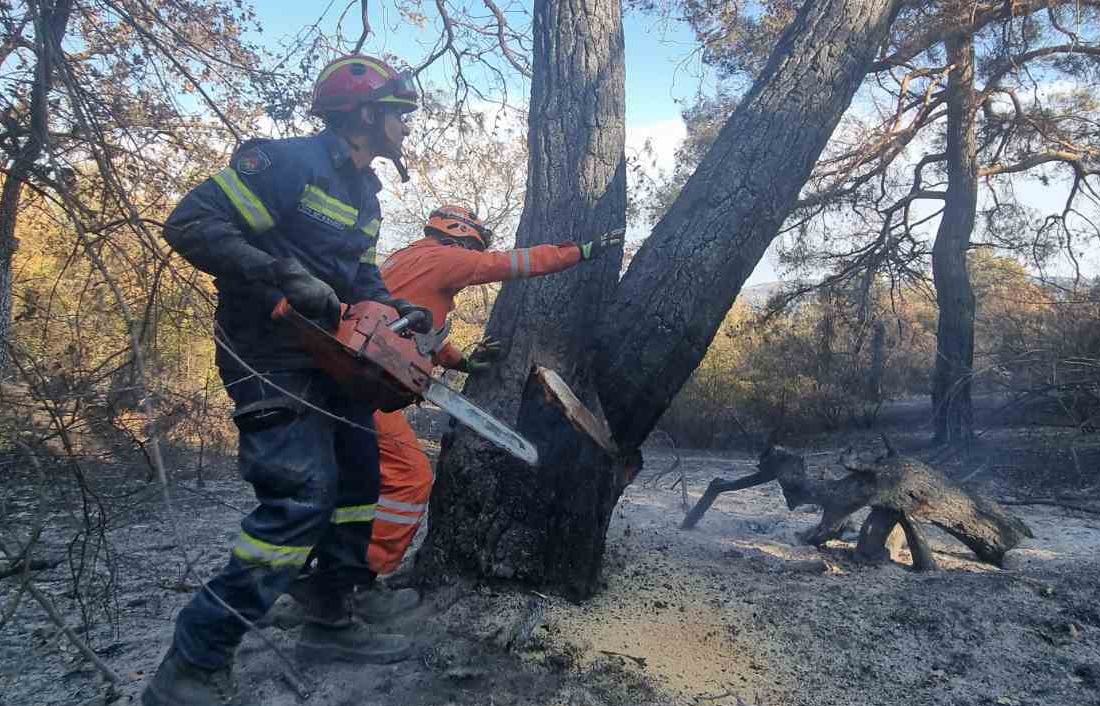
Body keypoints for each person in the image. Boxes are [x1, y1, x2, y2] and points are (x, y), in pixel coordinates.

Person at [142, 55, 434, 706]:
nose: (406, 128)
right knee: (301, 497)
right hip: (269, 354)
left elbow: (359, 276)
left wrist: (395, 310)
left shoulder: (363, 195)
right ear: (363, 115)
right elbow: (190, 224)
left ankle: (332, 613)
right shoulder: (287, 163)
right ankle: (193, 661)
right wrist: (278, 273)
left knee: (360, 482)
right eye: (399, 114)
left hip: (334, 357)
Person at [364, 205, 624, 581]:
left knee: (357, 477)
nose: (473, 256)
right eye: (472, 248)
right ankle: (364, 579)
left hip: (356, 376)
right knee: (410, 476)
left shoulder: (405, 260)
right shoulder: (443, 258)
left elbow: (419, 335)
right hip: (366, 389)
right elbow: (512, 264)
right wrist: (578, 252)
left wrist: (463, 363)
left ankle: (332, 573)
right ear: (460, 235)